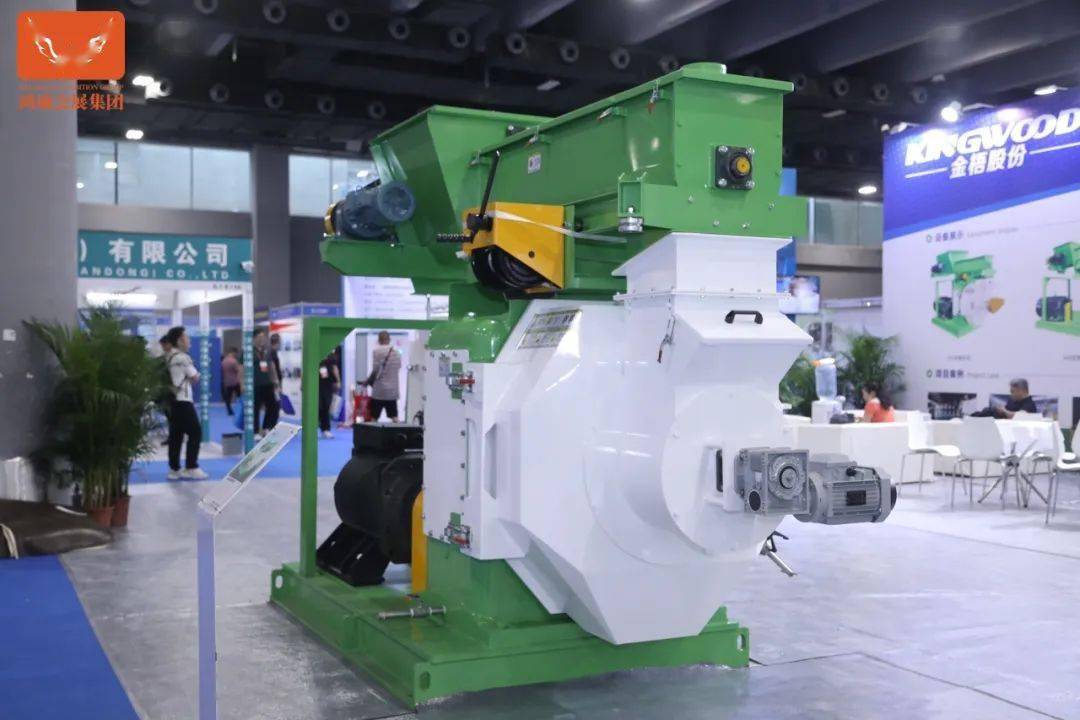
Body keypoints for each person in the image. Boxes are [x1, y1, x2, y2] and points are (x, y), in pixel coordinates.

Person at [164, 326, 208, 479]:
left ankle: (174, 469)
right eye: (186, 338)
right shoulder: (182, 358)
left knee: (176, 435)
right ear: (179, 341)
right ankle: (191, 466)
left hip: (172, 400)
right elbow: (195, 377)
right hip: (183, 400)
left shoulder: (168, 356)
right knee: (196, 432)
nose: (189, 341)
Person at [363, 331, 401, 422]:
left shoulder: (377, 351)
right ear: (389, 339)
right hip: (392, 391)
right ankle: (399, 430)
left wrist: (368, 381)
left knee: (374, 418)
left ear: (379, 340)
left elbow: (375, 370)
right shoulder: (396, 352)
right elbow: (399, 367)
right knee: (394, 417)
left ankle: (372, 432)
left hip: (379, 390)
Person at [253, 328, 280, 435]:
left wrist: (276, 380)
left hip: (268, 383)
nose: (262, 339)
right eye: (259, 337)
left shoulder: (268, 351)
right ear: (254, 338)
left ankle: (266, 427)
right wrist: (242, 384)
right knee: (255, 408)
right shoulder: (249, 351)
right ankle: (255, 431)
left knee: (273, 406)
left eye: (263, 337)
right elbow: (241, 368)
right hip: (255, 384)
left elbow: (272, 366)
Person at [318, 350, 341, 439]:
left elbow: (335, 368)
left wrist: (338, 381)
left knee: (326, 406)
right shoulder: (316, 353)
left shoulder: (331, 356)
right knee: (319, 407)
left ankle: (326, 429)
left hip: (327, 384)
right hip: (317, 383)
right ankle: (322, 428)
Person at [220, 347, 242, 416]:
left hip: (227, 382)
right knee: (240, 396)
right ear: (233, 353)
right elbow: (238, 371)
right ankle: (241, 410)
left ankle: (229, 411)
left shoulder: (224, 361)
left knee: (228, 398)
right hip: (235, 381)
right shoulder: (234, 361)